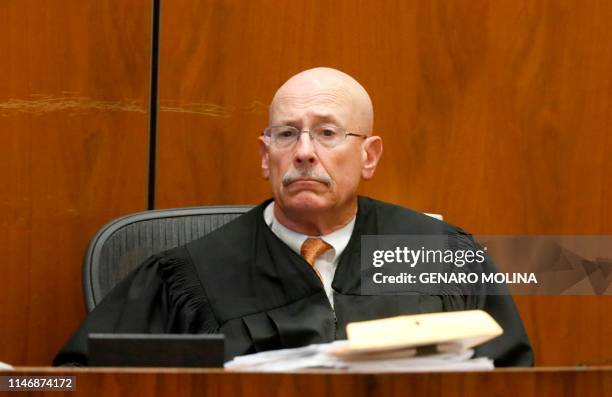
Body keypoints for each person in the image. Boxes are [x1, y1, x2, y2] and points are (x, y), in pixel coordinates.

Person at [54, 67, 533, 366]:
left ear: (369, 155)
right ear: (266, 157)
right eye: (286, 135)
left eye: (327, 133)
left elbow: (511, 376)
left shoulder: (436, 253)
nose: (304, 152)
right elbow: (70, 381)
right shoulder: (190, 274)